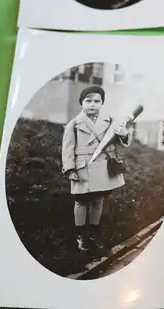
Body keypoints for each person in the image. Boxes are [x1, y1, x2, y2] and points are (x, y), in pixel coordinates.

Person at [62, 85, 131, 252]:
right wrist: (70, 169)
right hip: (82, 167)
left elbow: (120, 140)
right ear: (82, 103)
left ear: (102, 103)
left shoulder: (109, 120)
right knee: (81, 200)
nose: (92, 104)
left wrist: (123, 133)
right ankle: (80, 234)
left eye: (97, 101)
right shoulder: (74, 124)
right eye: (88, 101)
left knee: (98, 199)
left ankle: (93, 232)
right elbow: (67, 148)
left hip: (101, 164)